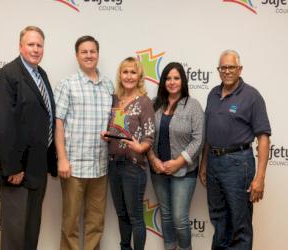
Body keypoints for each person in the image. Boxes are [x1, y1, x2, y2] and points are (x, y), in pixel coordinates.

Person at [0, 26, 57, 250]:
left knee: (30, 234)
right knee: (14, 237)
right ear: (20, 46)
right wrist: (12, 168)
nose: (36, 49)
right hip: (16, 172)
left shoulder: (40, 74)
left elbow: (44, 117)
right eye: (31, 44)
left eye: (39, 45)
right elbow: (3, 125)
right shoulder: (7, 75)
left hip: (37, 169)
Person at [199, 50, 271, 250]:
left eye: (231, 67)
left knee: (239, 224)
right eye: (223, 67)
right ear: (218, 70)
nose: (227, 71)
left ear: (240, 69)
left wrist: (260, 177)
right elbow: (209, 133)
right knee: (218, 219)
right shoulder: (213, 93)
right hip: (213, 163)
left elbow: (263, 138)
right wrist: (204, 163)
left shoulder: (252, 96)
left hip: (239, 163)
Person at [54, 35, 113, 250]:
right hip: (74, 167)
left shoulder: (108, 84)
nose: (89, 55)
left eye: (92, 51)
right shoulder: (67, 85)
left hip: (100, 166)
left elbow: (113, 122)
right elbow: (58, 124)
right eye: (84, 52)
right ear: (77, 56)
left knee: (95, 224)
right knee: (70, 224)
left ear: (98, 54)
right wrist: (61, 158)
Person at [147, 62, 204, 250]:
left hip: (184, 171)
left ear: (183, 81)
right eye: (168, 78)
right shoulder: (155, 104)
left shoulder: (193, 105)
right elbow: (147, 134)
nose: (172, 82)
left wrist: (178, 162)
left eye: (176, 78)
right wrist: (153, 160)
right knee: (166, 214)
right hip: (158, 170)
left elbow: (198, 139)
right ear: (163, 81)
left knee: (179, 217)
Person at [100, 57, 155, 250]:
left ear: (139, 75)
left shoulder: (144, 102)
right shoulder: (115, 99)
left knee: (135, 217)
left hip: (133, 166)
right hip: (114, 164)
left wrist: (141, 148)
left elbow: (149, 135)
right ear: (120, 75)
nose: (129, 76)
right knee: (122, 214)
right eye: (125, 72)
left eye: (133, 72)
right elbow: (115, 129)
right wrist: (107, 136)